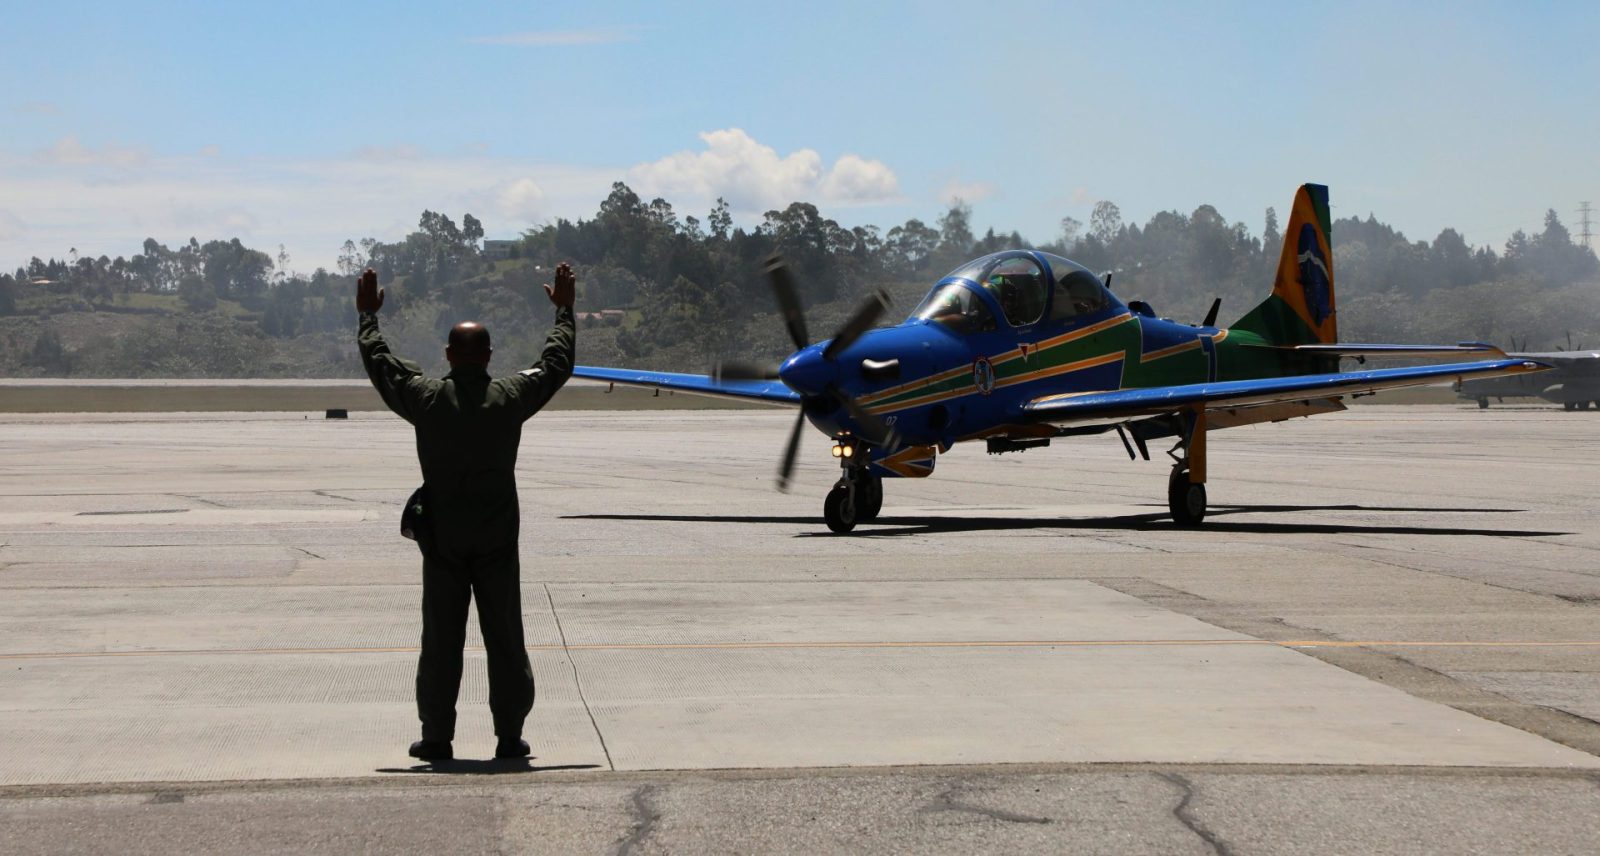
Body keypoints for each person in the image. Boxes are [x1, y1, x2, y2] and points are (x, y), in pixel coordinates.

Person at [355, 263, 576, 761]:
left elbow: (382, 364)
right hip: (497, 540)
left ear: (449, 355)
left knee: (440, 640)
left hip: (445, 542)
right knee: (506, 637)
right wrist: (564, 311)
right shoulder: (511, 397)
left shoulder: (427, 398)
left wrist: (368, 319)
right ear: (490, 356)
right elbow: (557, 362)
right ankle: (508, 736)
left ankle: (437, 737)